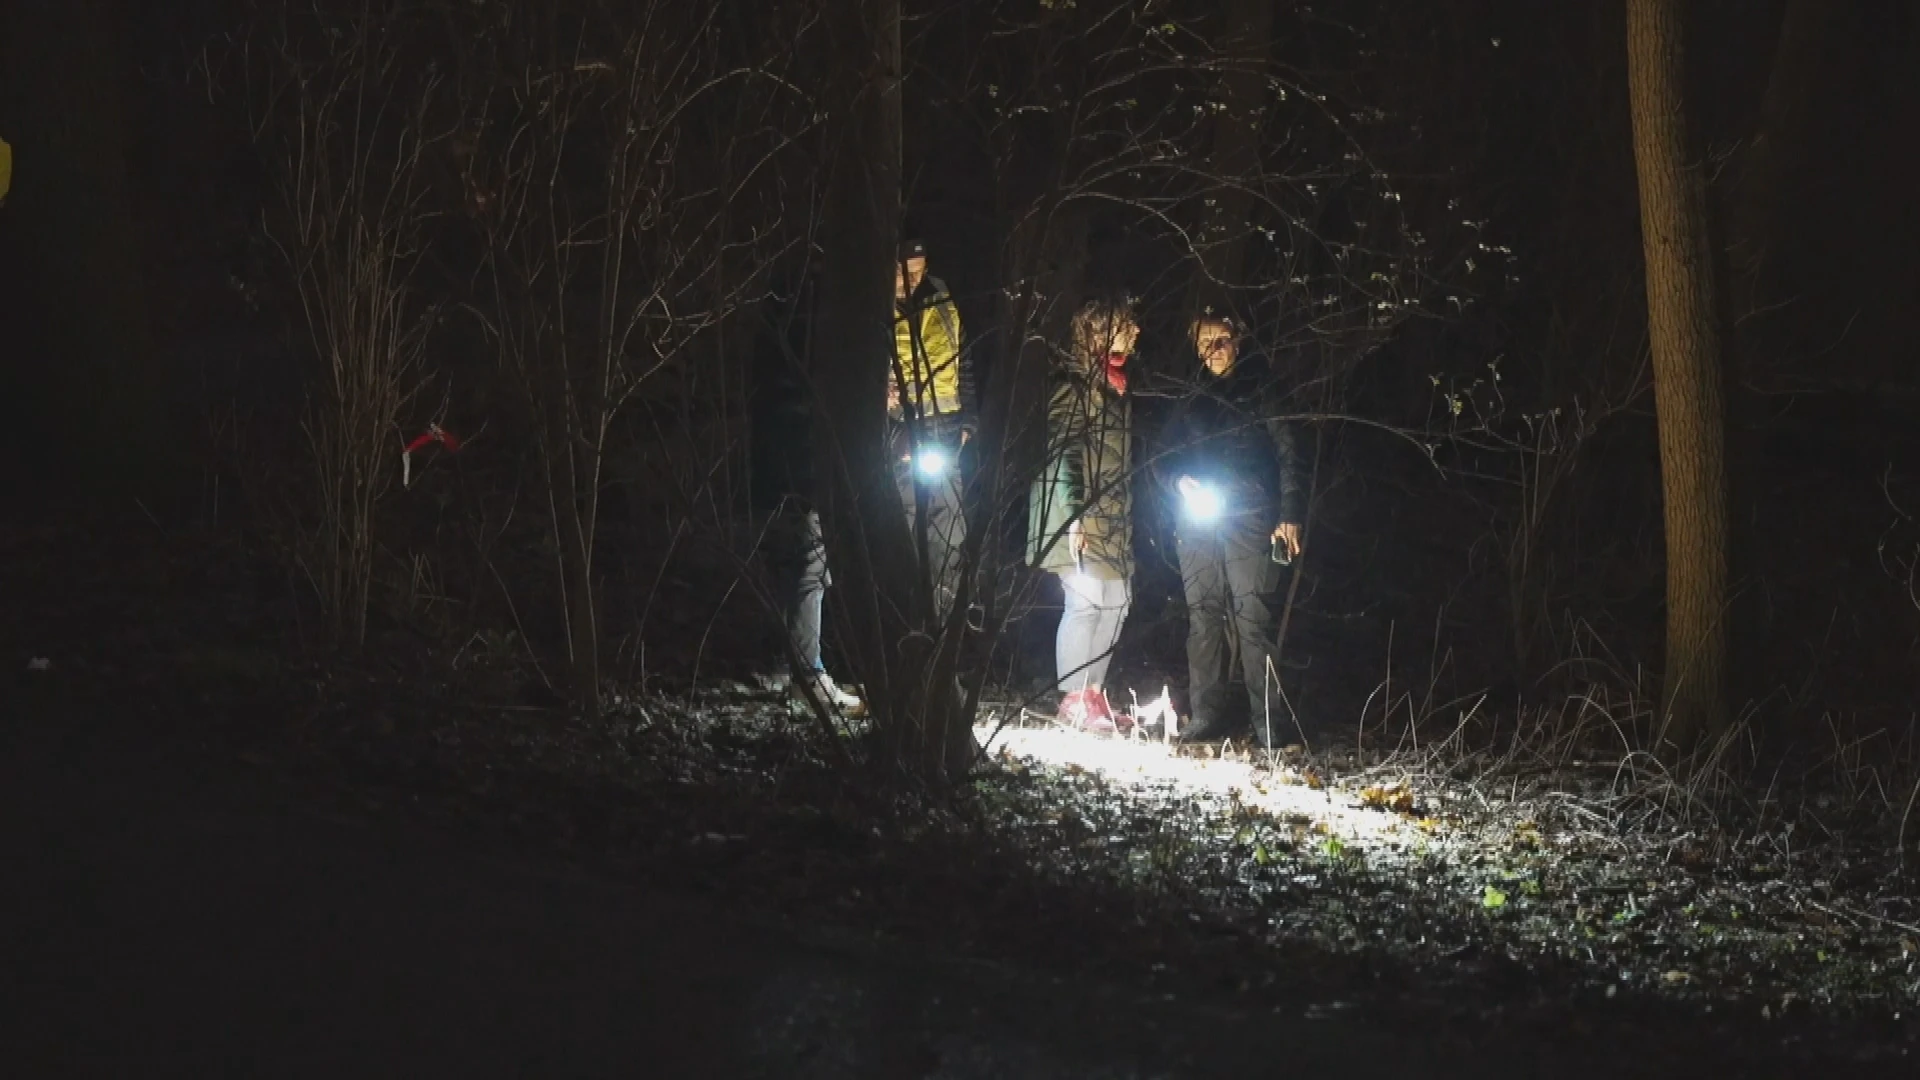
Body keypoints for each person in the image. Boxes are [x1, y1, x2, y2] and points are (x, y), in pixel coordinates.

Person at [1161, 315, 1307, 748]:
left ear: (1237, 342)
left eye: (1222, 339)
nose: (1214, 347)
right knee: (1203, 615)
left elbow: (1288, 451)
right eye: (1205, 340)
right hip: (1195, 519)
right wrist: (1177, 483)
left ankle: (1269, 723)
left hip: (1250, 515)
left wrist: (1290, 511)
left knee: (1251, 619)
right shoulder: (1186, 395)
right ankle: (1205, 715)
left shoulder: (1262, 386)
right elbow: (1161, 456)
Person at [1028, 296, 1141, 734]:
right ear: (1096, 332)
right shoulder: (1073, 383)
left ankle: (1094, 694)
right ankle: (1072, 699)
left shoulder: (1117, 385)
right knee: (1084, 603)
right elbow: (1063, 450)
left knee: (1117, 604)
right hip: (1077, 511)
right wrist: (1072, 515)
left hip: (1113, 513)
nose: (1134, 333)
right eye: (1124, 326)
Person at [749, 286, 862, 715]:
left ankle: (792, 665)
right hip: (800, 478)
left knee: (802, 568)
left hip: (784, 476)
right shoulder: (803, 363)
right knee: (809, 570)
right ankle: (806, 673)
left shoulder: (777, 346)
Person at [888, 239, 971, 618]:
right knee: (904, 524)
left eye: (920, 270)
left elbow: (963, 358)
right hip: (900, 430)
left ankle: (941, 615)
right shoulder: (874, 307)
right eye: (906, 270)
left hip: (945, 427)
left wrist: (970, 419)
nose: (913, 279)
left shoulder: (941, 298)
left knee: (949, 525)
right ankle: (904, 618)